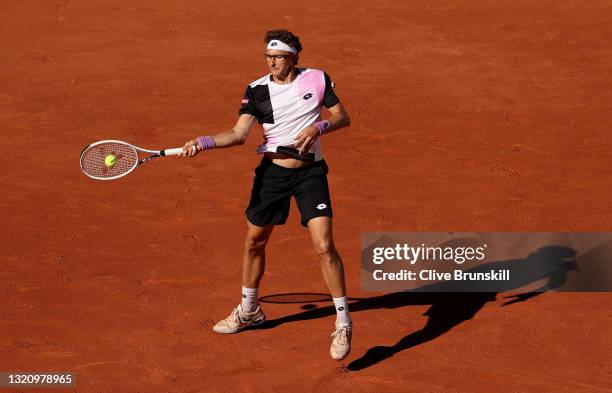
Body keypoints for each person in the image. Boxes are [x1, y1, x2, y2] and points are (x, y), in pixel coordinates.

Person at [180, 29, 352, 360]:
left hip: (310, 173)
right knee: (254, 241)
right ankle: (249, 311)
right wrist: (202, 142)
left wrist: (319, 127)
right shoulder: (257, 90)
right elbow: (238, 133)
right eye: (268, 57)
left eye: (278, 56)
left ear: (293, 58)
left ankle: (343, 322)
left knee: (324, 244)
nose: (272, 61)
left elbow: (342, 117)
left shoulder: (316, 79)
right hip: (272, 175)